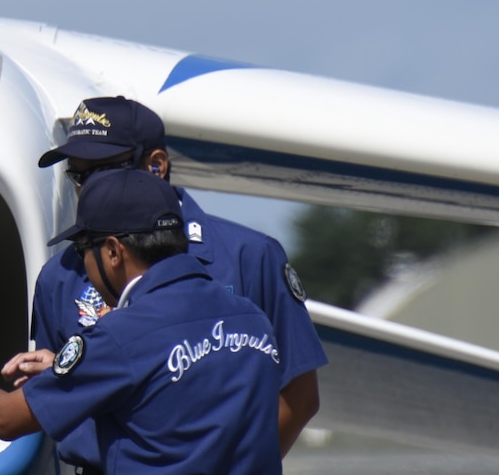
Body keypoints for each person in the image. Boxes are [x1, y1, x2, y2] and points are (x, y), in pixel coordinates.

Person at [0, 168, 283, 475]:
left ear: (114, 251)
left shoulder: (122, 336)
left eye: (83, 246)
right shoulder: (252, 319)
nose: (80, 262)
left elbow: (4, 419)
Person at [28, 96, 324, 462]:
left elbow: (299, 396)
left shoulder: (249, 256)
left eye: (104, 170)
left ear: (156, 165)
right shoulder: (61, 275)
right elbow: (46, 408)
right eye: (78, 175)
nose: (87, 188)